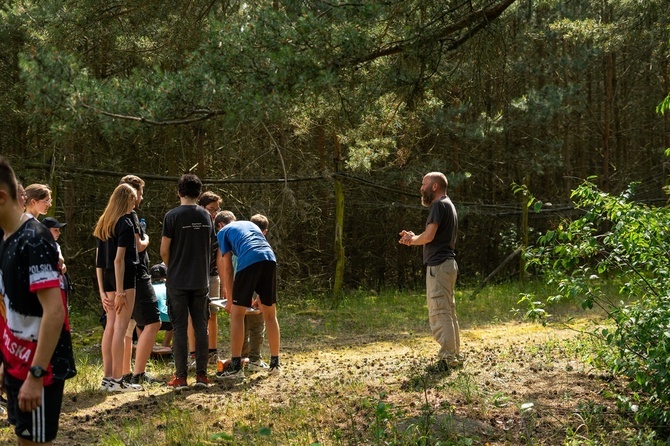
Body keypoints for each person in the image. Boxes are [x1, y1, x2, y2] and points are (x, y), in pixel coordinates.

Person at [0, 157, 76, 445]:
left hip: (41, 369)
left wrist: (35, 373)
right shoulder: (5, 237)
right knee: (24, 439)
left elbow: (54, 312)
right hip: (15, 362)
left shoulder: (34, 239)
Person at [399, 172, 461, 371]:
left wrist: (412, 240)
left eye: (424, 184)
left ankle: (447, 359)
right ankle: (454, 356)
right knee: (448, 312)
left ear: (434, 186)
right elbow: (429, 236)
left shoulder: (437, 205)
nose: (421, 188)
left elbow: (429, 236)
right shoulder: (448, 205)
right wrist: (416, 236)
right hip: (448, 265)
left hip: (440, 266)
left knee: (441, 312)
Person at [160, 174, 214, 389]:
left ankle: (181, 377)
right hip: (201, 279)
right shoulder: (207, 216)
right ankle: (202, 375)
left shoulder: (172, 216)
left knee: (180, 327)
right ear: (199, 193)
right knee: (201, 326)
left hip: (177, 280)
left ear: (179, 192)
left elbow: (164, 250)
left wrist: (173, 265)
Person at [215, 218, 281, 379]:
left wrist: (230, 300)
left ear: (220, 226)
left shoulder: (222, 232)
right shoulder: (250, 225)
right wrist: (259, 295)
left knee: (237, 314)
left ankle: (236, 368)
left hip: (249, 261)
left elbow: (228, 269)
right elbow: (261, 253)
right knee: (270, 315)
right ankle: (275, 364)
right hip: (269, 259)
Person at [94, 183, 141, 392]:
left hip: (108, 281)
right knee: (120, 329)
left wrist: (102, 291)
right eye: (133, 199)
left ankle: (107, 378)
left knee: (111, 326)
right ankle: (117, 380)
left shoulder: (104, 223)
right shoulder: (125, 223)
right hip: (124, 279)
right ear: (126, 200)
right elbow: (118, 260)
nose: (135, 203)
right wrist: (121, 291)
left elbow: (98, 262)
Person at [119, 175, 161, 385]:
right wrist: (147, 238)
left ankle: (125, 372)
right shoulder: (131, 217)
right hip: (138, 275)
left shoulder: (113, 216)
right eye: (141, 193)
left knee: (128, 327)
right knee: (153, 322)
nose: (141, 198)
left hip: (124, 278)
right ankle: (138, 374)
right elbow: (139, 245)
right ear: (133, 194)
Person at [187, 191, 222, 364]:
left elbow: (221, 258)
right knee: (192, 316)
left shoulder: (219, 229)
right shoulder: (194, 225)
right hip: (193, 277)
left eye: (216, 209)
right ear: (201, 207)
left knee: (212, 315)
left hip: (212, 276)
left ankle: (212, 352)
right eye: (211, 209)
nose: (214, 213)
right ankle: (193, 354)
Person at [242, 214, 271, 371]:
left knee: (242, 323)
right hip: (256, 289)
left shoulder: (240, 242)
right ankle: (254, 359)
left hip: (240, 286)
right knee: (258, 325)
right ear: (265, 231)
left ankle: (241, 357)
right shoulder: (264, 245)